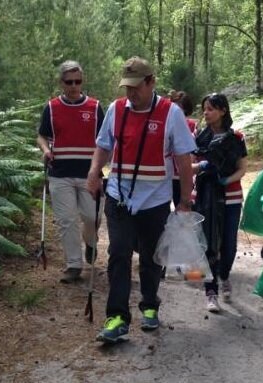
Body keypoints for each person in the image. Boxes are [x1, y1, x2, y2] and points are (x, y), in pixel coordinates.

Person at [86, 56, 196, 344]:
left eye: (136, 87)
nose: (131, 94)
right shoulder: (117, 109)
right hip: (119, 197)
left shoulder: (170, 113)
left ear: (151, 82)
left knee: (150, 257)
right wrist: (94, 171)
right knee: (119, 253)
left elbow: (184, 160)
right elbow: (103, 145)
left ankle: (149, 305)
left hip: (155, 201)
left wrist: (184, 201)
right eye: (127, 88)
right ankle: (118, 317)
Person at [37, 60, 105, 284]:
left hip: (89, 174)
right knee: (67, 220)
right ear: (62, 83)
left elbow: (106, 141)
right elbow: (42, 135)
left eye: (78, 81)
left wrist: (101, 169)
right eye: (69, 82)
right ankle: (73, 265)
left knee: (90, 216)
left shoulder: (95, 107)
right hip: (60, 173)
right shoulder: (52, 107)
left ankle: (91, 242)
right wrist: (46, 150)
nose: (74, 86)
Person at [192, 93, 248, 312]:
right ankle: (211, 290)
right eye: (204, 108)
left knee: (229, 245)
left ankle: (224, 275)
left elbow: (242, 167)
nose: (206, 113)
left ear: (223, 111)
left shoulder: (236, 138)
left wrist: (226, 180)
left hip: (231, 198)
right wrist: (203, 166)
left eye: (211, 109)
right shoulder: (198, 136)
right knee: (208, 244)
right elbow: (189, 165)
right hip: (206, 197)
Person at [171, 91, 198, 207]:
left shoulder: (192, 125)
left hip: (183, 175)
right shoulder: (165, 124)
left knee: (183, 209)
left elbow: (195, 150)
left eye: (180, 108)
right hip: (166, 175)